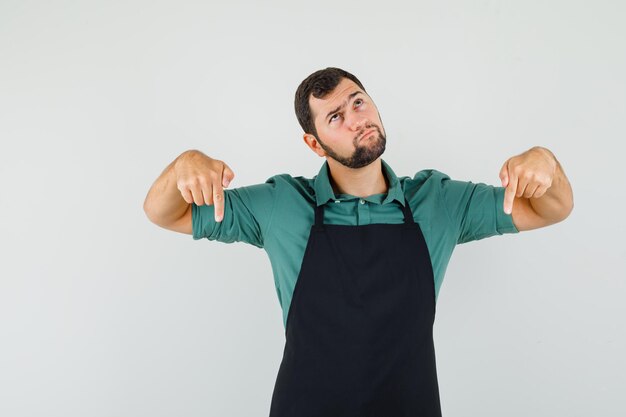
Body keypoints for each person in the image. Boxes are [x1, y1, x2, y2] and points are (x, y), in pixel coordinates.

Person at [143, 67, 574, 416]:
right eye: (336, 117)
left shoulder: (439, 201)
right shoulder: (281, 205)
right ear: (314, 144)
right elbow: (164, 211)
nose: (357, 119)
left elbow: (551, 208)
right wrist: (185, 163)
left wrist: (545, 160)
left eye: (358, 102)